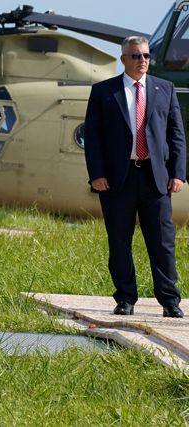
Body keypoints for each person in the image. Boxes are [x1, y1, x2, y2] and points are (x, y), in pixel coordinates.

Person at [84, 35, 186, 317]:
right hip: (118, 179)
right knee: (119, 241)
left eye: (146, 56)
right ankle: (126, 298)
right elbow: (93, 137)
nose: (143, 61)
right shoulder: (104, 91)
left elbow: (176, 135)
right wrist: (97, 175)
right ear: (123, 60)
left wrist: (178, 173)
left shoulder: (164, 89)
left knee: (162, 242)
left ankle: (169, 301)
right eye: (136, 56)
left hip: (155, 178)